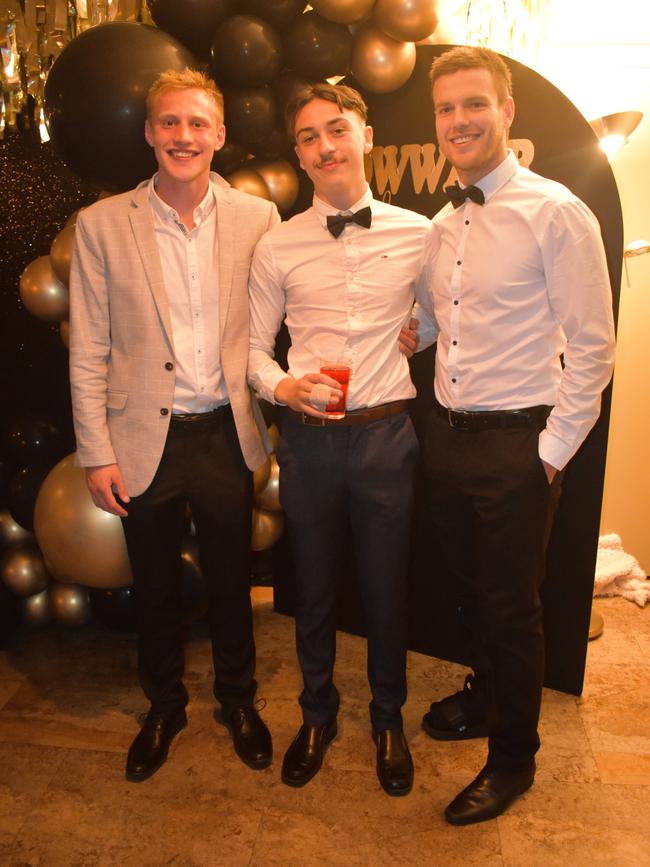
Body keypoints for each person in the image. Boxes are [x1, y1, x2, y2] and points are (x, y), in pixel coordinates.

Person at [416, 46, 615, 824]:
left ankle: (513, 760)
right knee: (469, 594)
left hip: (518, 447)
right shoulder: (441, 224)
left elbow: (592, 345)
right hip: (449, 439)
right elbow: (439, 320)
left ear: (507, 113)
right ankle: (488, 696)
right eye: (445, 109)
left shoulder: (556, 211)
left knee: (511, 608)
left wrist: (548, 454)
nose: (458, 120)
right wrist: (408, 329)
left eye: (473, 104)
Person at [69, 68, 280, 782]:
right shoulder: (101, 224)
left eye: (196, 124)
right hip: (140, 439)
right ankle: (165, 705)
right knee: (153, 586)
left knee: (231, 580)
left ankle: (238, 700)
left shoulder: (259, 218)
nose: (182, 136)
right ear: (149, 133)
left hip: (225, 431)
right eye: (168, 123)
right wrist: (96, 451)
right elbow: (89, 344)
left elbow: (277, 324)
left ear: (220, 134)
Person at [247, 82, 435, 796]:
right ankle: (316, 715)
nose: (324, 146)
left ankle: (388, 718)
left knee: (387, 588)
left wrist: (426, 331)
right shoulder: (277, 243)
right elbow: (254, 351)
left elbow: (447, 308)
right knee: (316, 587)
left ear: (367, 133)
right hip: (310, 441)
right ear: (298, 153)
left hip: (387, 434)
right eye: (307, 137)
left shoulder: (421, 232)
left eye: (336, 129)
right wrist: (282, 387)